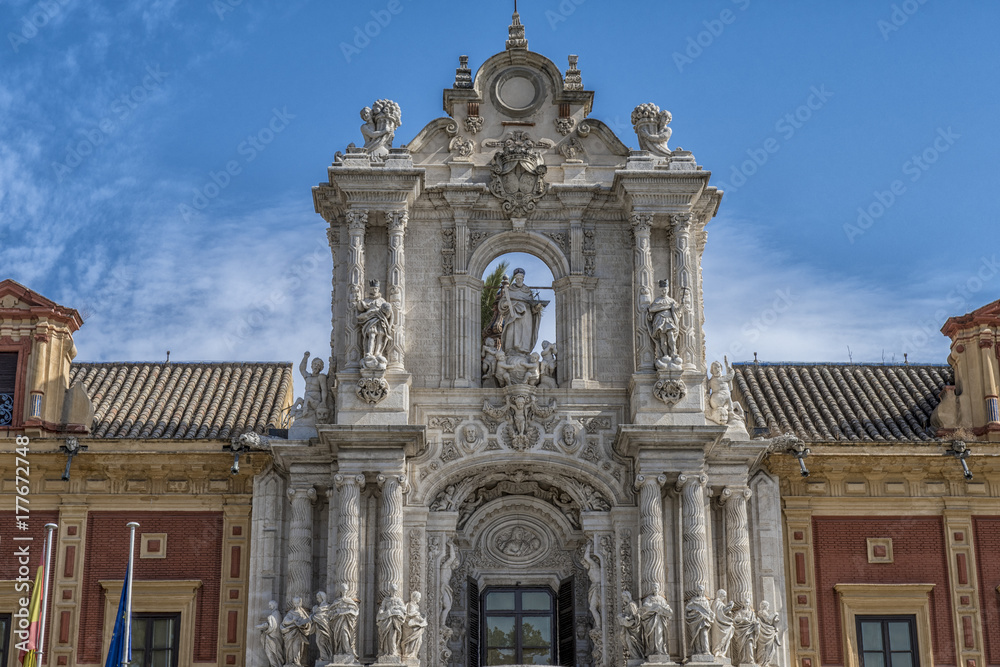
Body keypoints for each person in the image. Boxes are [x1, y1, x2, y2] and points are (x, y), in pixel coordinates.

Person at [498, 269, 547, 357]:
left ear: (523, 279)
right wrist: (506, 303)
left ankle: (524, 352)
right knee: (511, 331)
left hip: (526, 316)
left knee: (524, 334)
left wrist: (537, 307)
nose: (519, 280)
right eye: (517, 279)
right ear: (515, 279)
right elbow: (502, 303)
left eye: (520, 279)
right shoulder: (510, 290)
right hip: (513, 315)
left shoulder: (527, 291)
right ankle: (510, 350)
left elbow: (533, 309)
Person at [356, 279, 394, 368]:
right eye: (372, 289)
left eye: (376, 288)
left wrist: (387, 312)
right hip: (370, 321)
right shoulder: (367, 300)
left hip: (381, 322)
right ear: (370, 289)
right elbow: (361, 308)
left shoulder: (382, 301)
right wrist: (358, 301)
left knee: (380, 337)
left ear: (378, 289)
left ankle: (377, 353)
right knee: (372, 336)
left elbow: (388, 313)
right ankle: (369, 352)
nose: (374, 290)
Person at [646, 279, 681, 367]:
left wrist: (680, 307)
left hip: (669, 320)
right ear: (659, 290)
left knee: (671, 337)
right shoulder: (657, 300)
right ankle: (665, 354)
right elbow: (651, 309)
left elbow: (677, 312)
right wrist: (665, 307)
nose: (663, 291)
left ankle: (673, 353)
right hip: (660, 320)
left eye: (665, 289)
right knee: (662, 339)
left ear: (668, 289)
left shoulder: (671, 301)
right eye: (662, 290)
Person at [290, 351, 328, 425]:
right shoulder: (308, 377)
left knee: (307, 398)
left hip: (316, 402)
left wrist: (323, 402)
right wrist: (305, 357)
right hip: (307, 402)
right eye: (315, 364)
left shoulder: (321, 377)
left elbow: (324, 390)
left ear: (321, 368)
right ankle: (293, 410)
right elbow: (302, 369)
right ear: (311, 366)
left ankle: (304, 410)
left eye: (318, 365)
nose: (316, 366)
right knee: (299, 399)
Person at [640, 583, 673, 656]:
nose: (655, 589)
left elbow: (666, 607)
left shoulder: (661, 599)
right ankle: (652, 651)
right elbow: (645, 605)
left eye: (656, 588)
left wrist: (664, 609)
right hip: (651, 620)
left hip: (659, 620)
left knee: (659, 633)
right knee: (652, 635)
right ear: (652, 589)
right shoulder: (649, 598)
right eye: (654, 588)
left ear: (659, 589)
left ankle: (659, 650)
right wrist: (653, 606)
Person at [330, 583, 360, 660]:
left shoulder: (349, 601)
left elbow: (355, 611)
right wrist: (338, 612)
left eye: (345, 590)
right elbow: (331, 611)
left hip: (346, 622)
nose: (344, 591)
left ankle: (348, 651)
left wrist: (343, 611)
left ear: (347, 590)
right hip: (338, 622)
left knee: (345, 634)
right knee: (338, 637)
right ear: (340, 590)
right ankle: (340, 651)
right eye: (343, 590)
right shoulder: (337, 601)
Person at [281, 597, 313, 667]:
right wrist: (292, 621)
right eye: (295, 603)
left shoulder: (302, 613)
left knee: (297, 647)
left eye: (297, 603)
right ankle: (289, 661)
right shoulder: (290, 612)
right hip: (290, 633)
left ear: (300, 603)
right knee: (289, 648)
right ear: (293, 604)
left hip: (298, 633)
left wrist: (303, 623)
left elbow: (307, 623)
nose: (296, 604)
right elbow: (285, 621)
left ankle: (296, 661)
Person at [376, 584, 407, 658]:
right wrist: (381, 611)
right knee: (385, 637)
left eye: (395, 590)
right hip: (386, 620)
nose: (394, 591)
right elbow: (382, 608)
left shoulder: (398, 600)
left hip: (394, 621)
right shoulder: (386, 599)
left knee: (392, 637)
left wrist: (397, 607)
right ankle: (385, 652)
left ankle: (393, 652)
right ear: (390, 590)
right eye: (392, 590)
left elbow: (404, 609)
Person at [685, 585, 714, 656]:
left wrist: (712, 614)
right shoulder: (694, 599)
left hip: (704, 620)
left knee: (704, 635)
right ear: (697, 591)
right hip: (695, 620)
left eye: (701, 590)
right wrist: (694, 609)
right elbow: (688, 608)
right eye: (699, 590)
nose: (700, 592)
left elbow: (708, 610)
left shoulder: (705, 600)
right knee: (696, 636)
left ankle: (706, 650)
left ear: (703, 591)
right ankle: (697, 651)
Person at [255, 600, 283, 667]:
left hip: (274, 638)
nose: (269, 607)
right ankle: (274, 665)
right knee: (270, 653)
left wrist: (261, 626)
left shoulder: (276, 614)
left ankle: (276, 665)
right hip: (271, 637)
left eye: (270, 605)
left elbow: (272, 625)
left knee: (274, 653)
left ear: (274, 605)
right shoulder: (274, 614)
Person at [401, 591, 428, 658]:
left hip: (415, 625)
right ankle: (409, 654)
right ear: (415, 597)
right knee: (413, 639)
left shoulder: (416, 606)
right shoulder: (410, 604)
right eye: (418, 597)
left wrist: (420, 617)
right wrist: (420, 618)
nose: (419, 599)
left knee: (419, 641)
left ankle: (412, 654)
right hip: (411, 626)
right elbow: (411, 614)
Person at [619, 590, 645, 660]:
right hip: (629, 628)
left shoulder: (631, 604)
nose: (623, 599)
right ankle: (635, 657)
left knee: (632, 642)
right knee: (629, 642)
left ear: (627, 596)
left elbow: (635, 615)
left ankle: (637, 657)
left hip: (633, 627)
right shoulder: (628, 605)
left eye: (623, 597)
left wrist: (627, 618)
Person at [712, 589, 736, 659]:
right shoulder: (717, 602)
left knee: (730, 629)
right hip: (718, 625)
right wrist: (729, 607)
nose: (724, 598)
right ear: (720, 595)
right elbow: (720, 613)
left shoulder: (720, 603)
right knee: (720, 639)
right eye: (724, 596)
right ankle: (718, 651)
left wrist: (728, 609)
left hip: (721, 624)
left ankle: (721, 651)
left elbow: (723, 612)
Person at [756, 601, 781, 667]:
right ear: (765, 606)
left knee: (771, 650)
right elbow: (768, 620)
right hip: (765, 633)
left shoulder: (763, 612)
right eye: (768, 606)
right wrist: (774, 614)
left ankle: (765, 662)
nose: (768, 607)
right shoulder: (762, 612)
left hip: (768, 631)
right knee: (766, 649)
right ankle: (763, 662)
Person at [312, 591, 334, 662]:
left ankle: (326, 657)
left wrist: (315, 615)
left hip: (325, 626)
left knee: (323, 641)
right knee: (318, 641)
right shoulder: (319, 607)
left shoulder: (326, 607)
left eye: (318, 597)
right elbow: (316, 616)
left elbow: (323, 616)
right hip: (319, 627)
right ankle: (324, 657)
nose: (317, 599)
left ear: (322, 597)